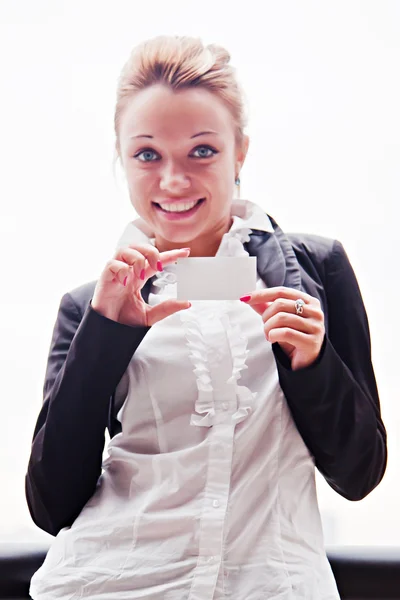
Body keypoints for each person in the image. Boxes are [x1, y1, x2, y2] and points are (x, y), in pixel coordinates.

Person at [26, 35, 387, 600]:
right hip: (110, 584)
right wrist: (106, 335)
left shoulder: (315, 271)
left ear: (239, 151)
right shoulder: (88, 305)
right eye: (147, 154)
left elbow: (360, 473)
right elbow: (51, 504)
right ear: (121, 158)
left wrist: (313, 362)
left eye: (202, 151)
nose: (173, 181)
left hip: (273, 586)